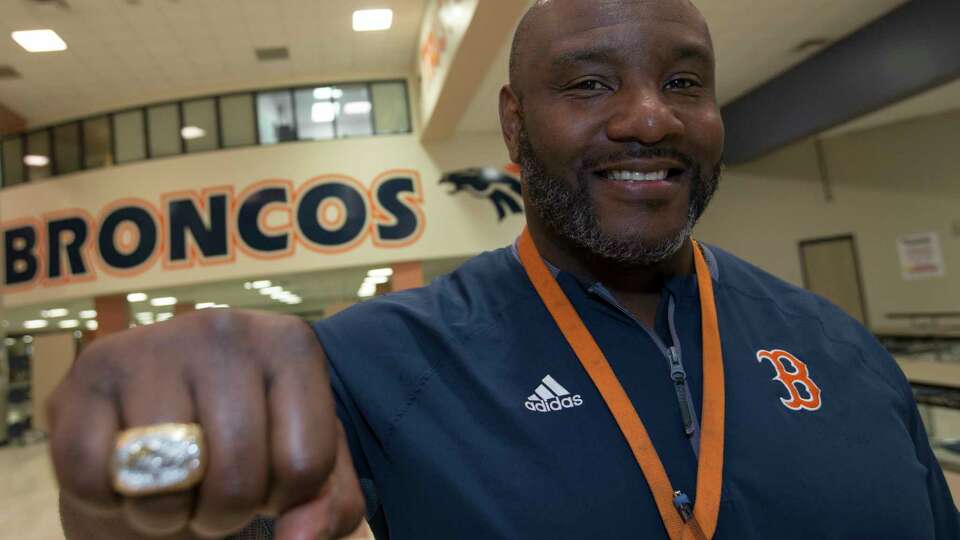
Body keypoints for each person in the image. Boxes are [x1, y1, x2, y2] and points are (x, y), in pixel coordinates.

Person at [48, 0, 960, 539]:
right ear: (515, 126)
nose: (652, 117)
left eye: (685, 83)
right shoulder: (375, 364)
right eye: (590, 83)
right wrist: (134, 485)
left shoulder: (844, 353)